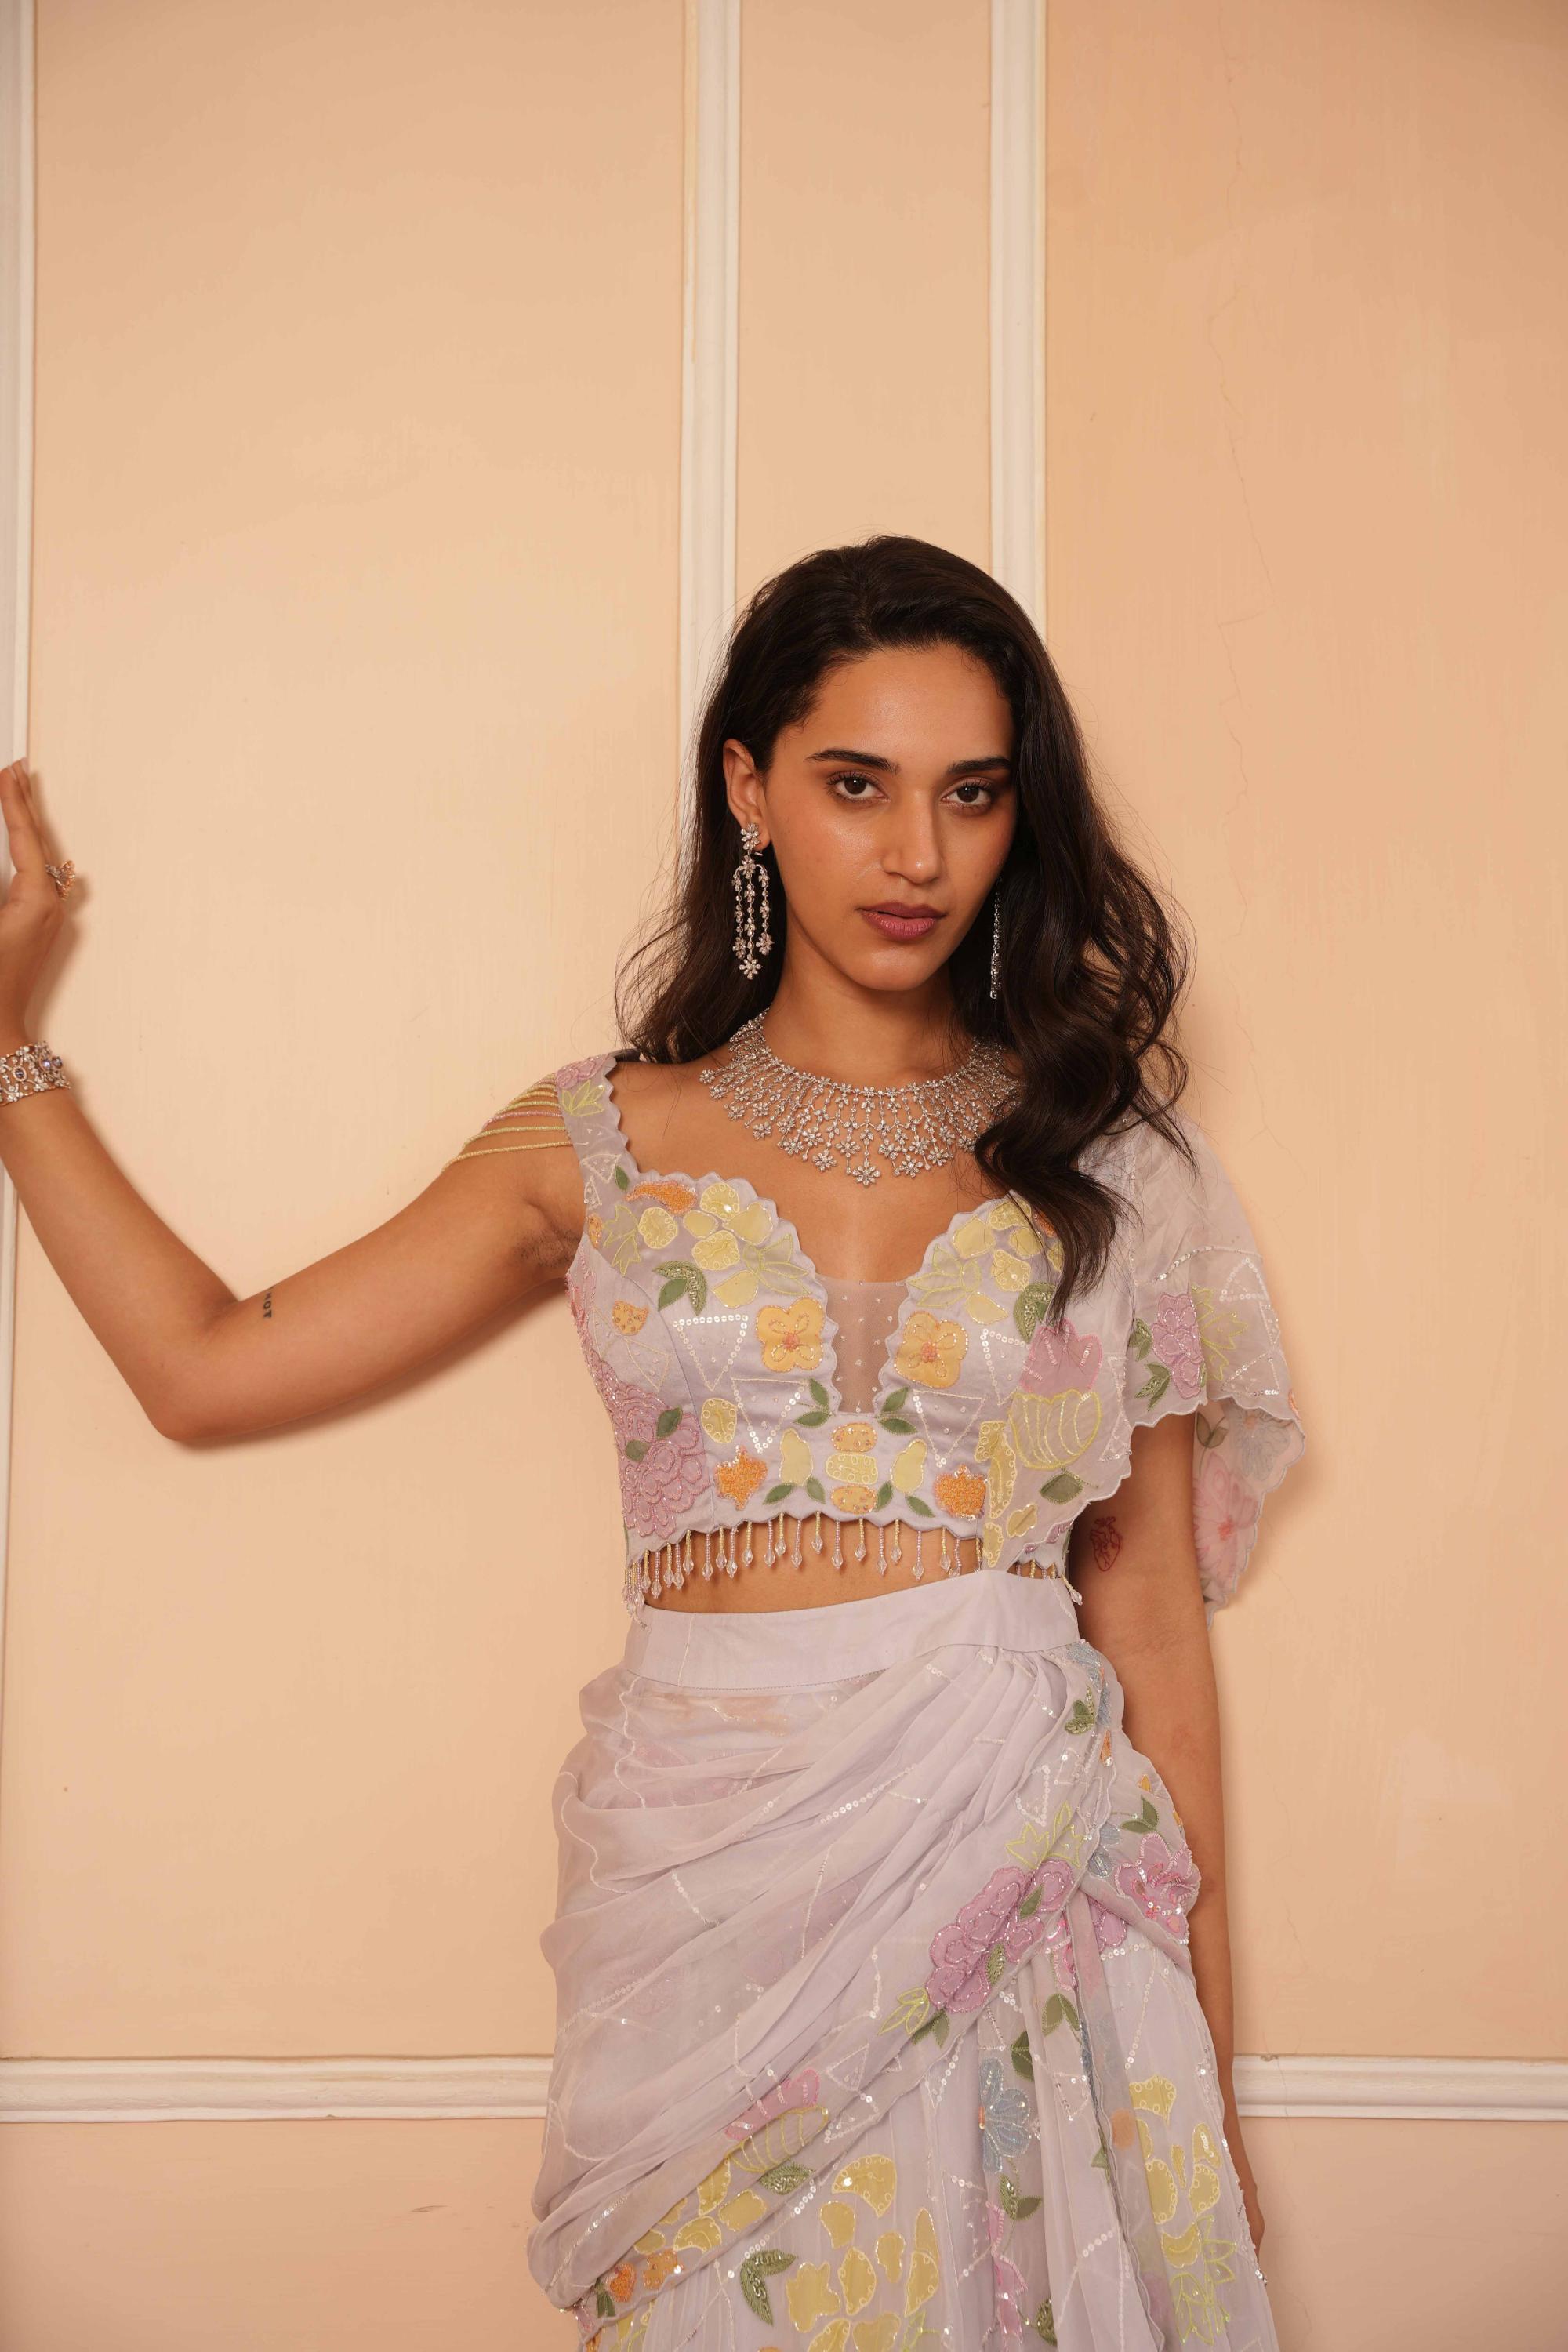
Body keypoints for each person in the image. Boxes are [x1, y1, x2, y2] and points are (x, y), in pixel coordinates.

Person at [0, 535, 1304, 2349]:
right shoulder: (596, 1140)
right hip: (708, 1895)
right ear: (749, 788)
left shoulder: (1106, 1164)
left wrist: (1206, 2095)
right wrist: (6, 1052)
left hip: (1027, 1872)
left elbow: (1150, 1632)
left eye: (971, 793)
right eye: (855, 784)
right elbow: (204, 1368)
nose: (916, 854)